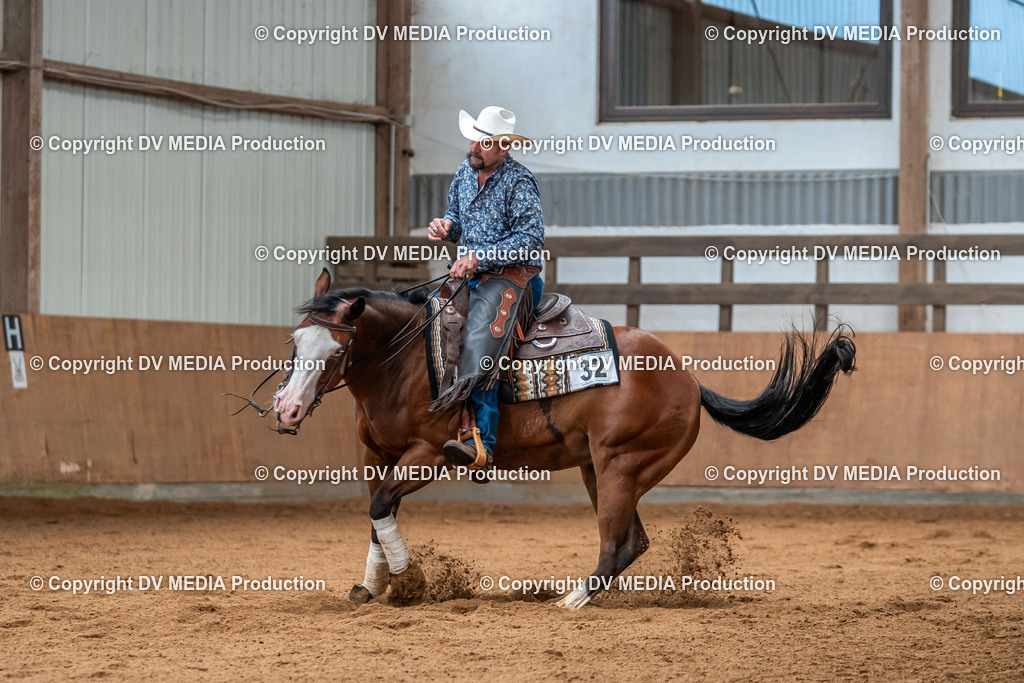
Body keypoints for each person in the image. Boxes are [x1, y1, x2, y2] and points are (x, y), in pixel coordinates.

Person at [427, 106, 545, 479]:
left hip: (513, 279)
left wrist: (479, 257)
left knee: (480, 341)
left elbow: (530, 241)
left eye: (485, 141)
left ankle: (483, 445)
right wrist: (447, 227)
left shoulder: (519, 182)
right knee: (428, 324)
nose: (475, 146)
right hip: (470, 277)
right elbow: (459, 220)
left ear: (504, 147)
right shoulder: (464, 173)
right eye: (474, 137)